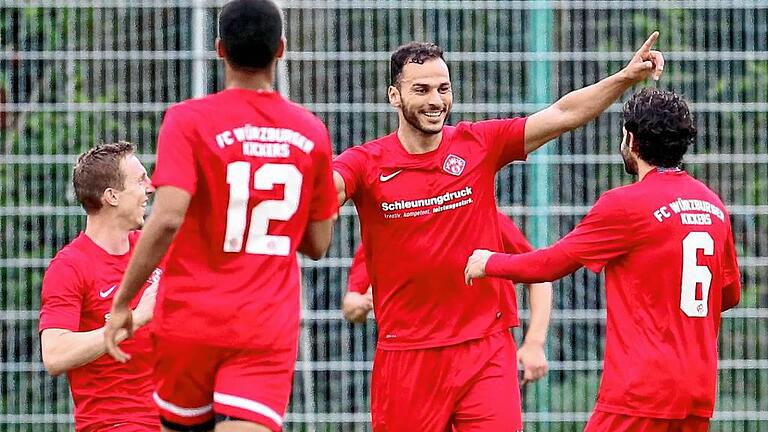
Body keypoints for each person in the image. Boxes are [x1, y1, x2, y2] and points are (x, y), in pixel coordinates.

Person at [333, 33, 664, 430]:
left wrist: (625, 78)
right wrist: (320, 203)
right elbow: (329, 185)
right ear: (394, 96)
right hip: (408, 354)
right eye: (420, 90)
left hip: (485, 349)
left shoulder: (477, 143)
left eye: (443, 89)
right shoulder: (368, 162)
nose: (436, 101)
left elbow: (562, 114)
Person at [103, 1, 338, 431]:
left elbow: (169, 217)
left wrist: (123, 301)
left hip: (190, 322)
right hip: (264, 326)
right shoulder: (310, 131)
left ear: (219, 49)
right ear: (281, 49)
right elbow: (319, 244)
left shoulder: (188, 120)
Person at [465, 88, 741, 432]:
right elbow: (728, 295)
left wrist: (489, 262)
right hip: (698, 390)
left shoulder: (626, 205)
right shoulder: (712, 204)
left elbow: (550, 264)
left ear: (630, 139)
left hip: (640, 391)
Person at [342, 211, 553, 385]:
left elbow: (538, 278)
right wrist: (364, 302)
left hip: (483, 360)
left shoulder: (485, 219)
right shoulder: (387, 229)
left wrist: (534, 343)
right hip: (415, 366)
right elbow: (350, 305)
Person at [39, 141, 160, 431]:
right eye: (140, 179)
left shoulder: (152, 250)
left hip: (177, 416)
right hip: (118, 424)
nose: (151, 187)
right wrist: (136, 318)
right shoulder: (70, 267)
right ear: (112, 196)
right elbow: (54, 356)